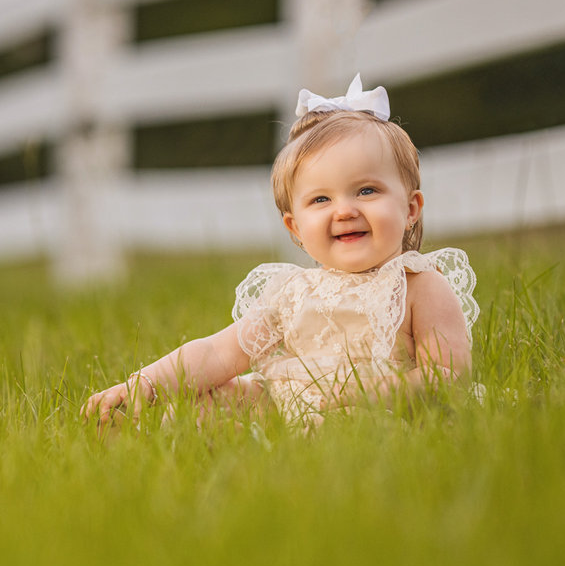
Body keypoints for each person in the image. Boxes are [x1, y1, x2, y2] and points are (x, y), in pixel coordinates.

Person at [83, 75, 479, 430]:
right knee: (210, 399)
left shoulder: (420, 286)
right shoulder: (292, 294)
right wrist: (145, 382)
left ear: (410, 208)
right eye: (321, 199)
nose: (345, 210)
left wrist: (374, 396)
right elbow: (218, 352)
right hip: (284, 406)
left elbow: (447, 373)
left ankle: (240, 437)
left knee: (354, 428)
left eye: (367, 191)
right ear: (295, 229)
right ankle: (145, 418)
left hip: (379, 413)